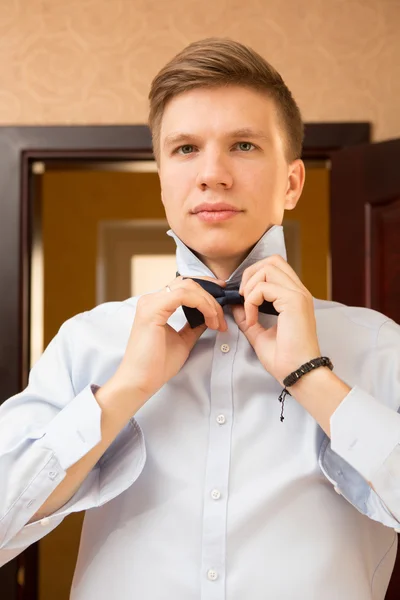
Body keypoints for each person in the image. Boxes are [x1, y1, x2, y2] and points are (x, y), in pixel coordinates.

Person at [0, 37, 399, 600]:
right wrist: (125, 390)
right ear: (161, 179)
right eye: (186, 149)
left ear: (292, 182)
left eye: (242, 145)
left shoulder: (380, 346)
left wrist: (314, 377)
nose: (213, 174)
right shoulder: (86, 342)